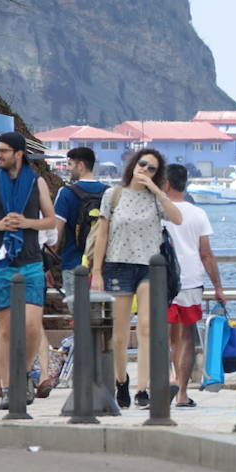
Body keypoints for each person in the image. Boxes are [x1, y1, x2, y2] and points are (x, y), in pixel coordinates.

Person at [0, 132, 57, 410]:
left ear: (18, 153)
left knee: (32, 326)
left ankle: (23, 375)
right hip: (0, 262)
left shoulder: (36, 182)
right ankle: (8, 386)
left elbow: (51, 220)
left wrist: (27, 222)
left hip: (30, 262)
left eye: (3, 150)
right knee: (5, 329)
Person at [91, 147, 183, 409]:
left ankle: (142, 388)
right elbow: (102, 235)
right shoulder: (113, 195)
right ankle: (122, 381)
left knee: (145, 327)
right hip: (118, 265)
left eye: (151, 168)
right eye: (142, 164)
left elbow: (178, 218)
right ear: (133, 164)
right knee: (119, 334)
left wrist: (156, 190)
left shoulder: (156, 199)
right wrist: (97, 270)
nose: (144, 169)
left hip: (149, 268)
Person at [162, 165, 224, 408]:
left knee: (162, 336)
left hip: (161, 282)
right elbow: (206, 254)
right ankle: (182, 393)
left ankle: (164, 382)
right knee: (186, 338)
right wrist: (218, 287)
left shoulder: (159, 212)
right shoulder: (198, 214)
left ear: (166, 183)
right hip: (190, 282)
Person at [51, 146, 108, 273]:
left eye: (70, 164)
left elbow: (56, 236)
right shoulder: (109, 192)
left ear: (80, 165)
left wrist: (49, 264)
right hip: (102, 266)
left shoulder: (66, 193)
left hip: (73, 263)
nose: (68, 168)